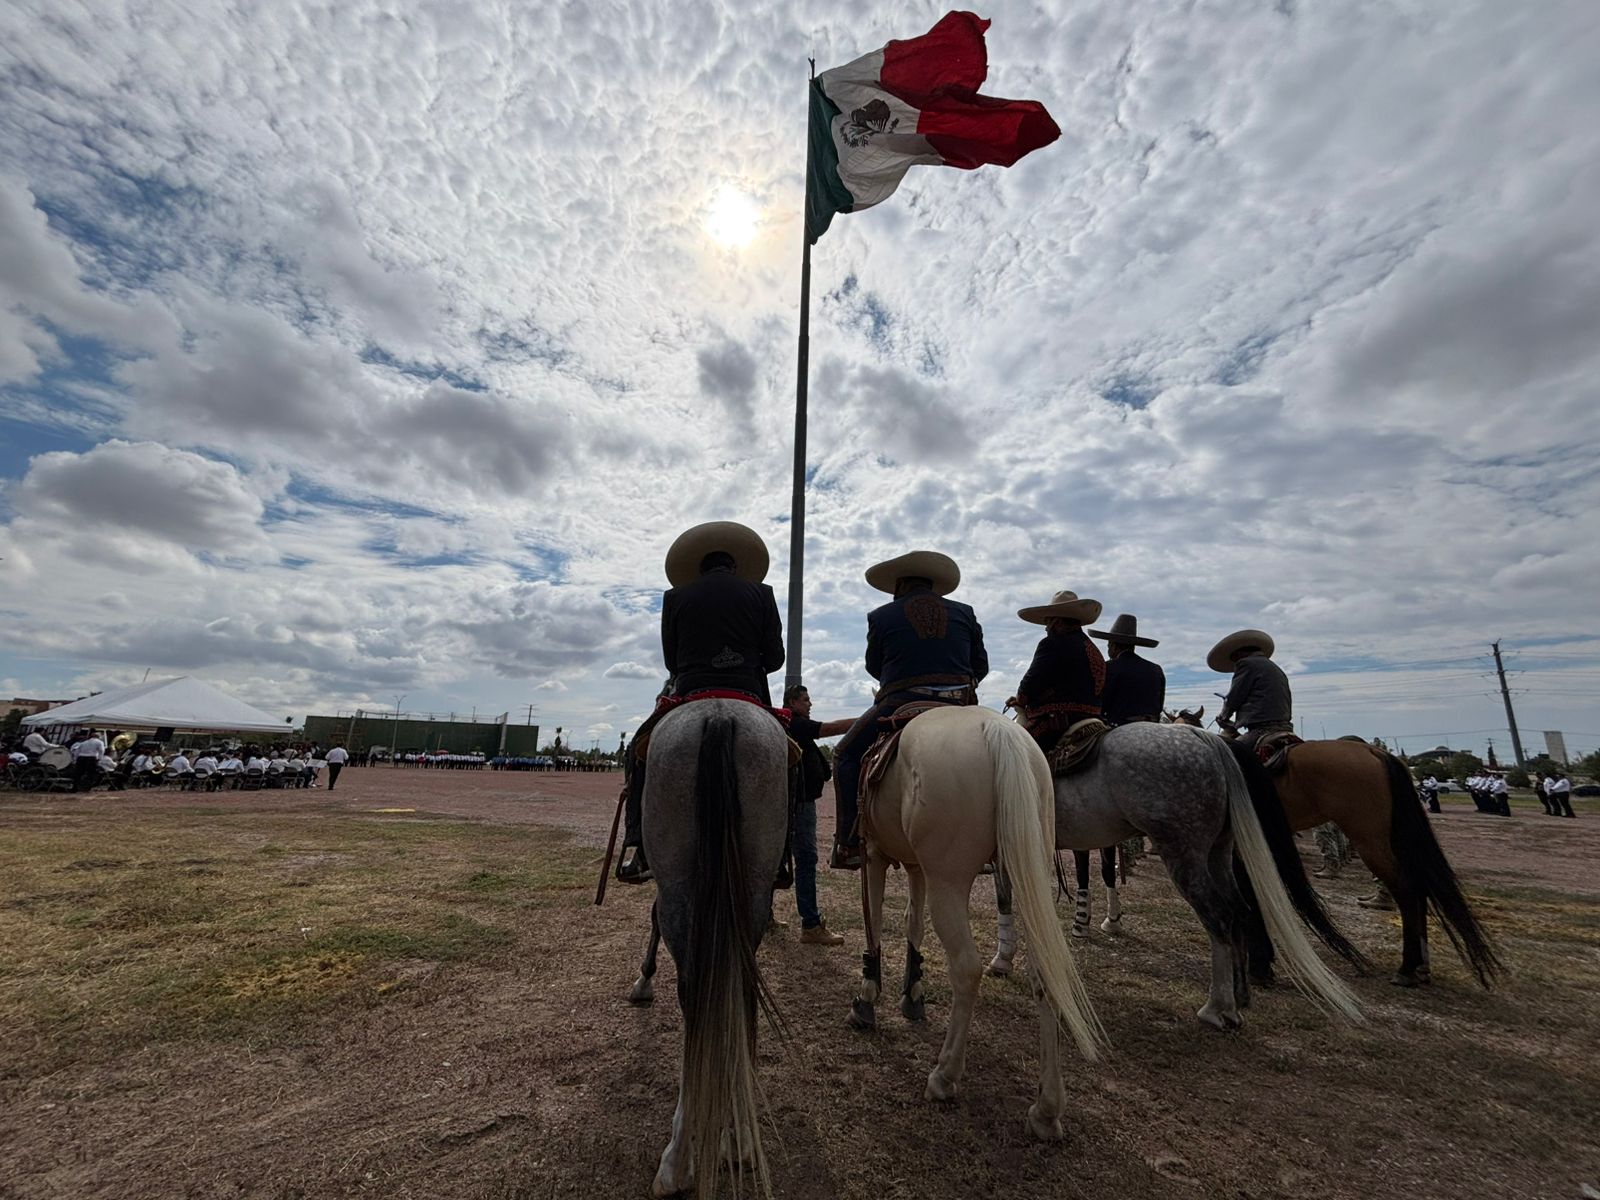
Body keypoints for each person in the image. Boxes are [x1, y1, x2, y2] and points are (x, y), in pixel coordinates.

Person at [617, 521, 785, 884]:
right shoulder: (762, 593)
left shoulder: (676, 597)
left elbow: (671, 662)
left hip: (691, 691)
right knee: (792, 758)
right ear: (735, 566)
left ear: (699, 567)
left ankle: (639, 847)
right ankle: (782, 854)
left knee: (637, 753)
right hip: (747, 691)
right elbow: (775, 659)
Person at [830, 550, 986, 870]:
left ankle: (848, 843)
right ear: (932, 584)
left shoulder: (881, 616)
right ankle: (991, 844)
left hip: (901, 701)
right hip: (959, 703)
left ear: (900, 585)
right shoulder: (965, 612)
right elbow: (980, 666)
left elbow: (874, 666)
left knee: (844, 755)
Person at [783, 684, 853, 944]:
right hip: (799, 804)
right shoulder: (795, 723)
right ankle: (811, 925)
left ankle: (766, 917)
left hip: (798, 801)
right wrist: (865, 720)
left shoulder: (792, 725)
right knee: (806, 858)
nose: (810, 704)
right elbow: (828, 729)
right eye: (805, 699)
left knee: (781, 859)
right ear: (792, 702)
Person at [1009, 589, 1106, 755]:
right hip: (1094, 718)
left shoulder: (1051, 644)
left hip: (1058, 721)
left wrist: (1020, 700)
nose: (1046, 628)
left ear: (1057, 622)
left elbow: (1031, 682)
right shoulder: (1093, 649)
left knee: (1013, 751)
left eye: (1048, 622)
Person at [1208, 629, 1292, 751]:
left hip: (1261, 729)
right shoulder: (1274, 667)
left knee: (1225, 753)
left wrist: (1224, 716)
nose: (1235, 663)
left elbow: (1236, 696)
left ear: (1238, 654)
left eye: (1234, 659)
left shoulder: (1246, 663)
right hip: (1286, 727)